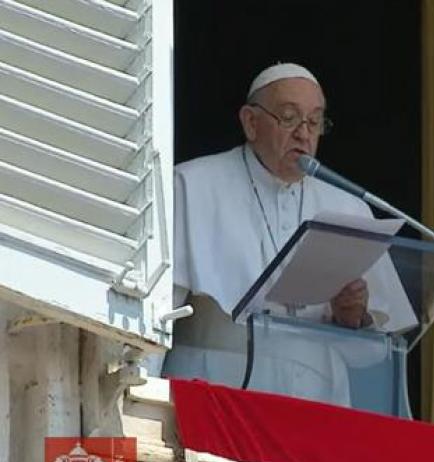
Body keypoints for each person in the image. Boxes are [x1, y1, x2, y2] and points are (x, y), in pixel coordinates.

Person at [164, 63, 414, 407]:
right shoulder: (193, 185)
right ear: (250, 122)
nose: (303, 133)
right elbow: (157, 316)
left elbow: (370, 357)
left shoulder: (349, 209)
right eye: (289, 117)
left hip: (318, 410)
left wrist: (353, 318)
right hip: (215, 397)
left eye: (314, 121)